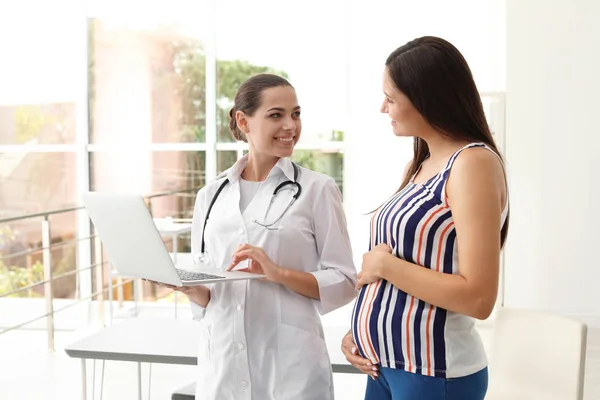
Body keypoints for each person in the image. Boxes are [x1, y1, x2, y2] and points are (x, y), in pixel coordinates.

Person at [156, 73, 357, 400]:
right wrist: (191, 288)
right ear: (243, 121)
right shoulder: (210, 195)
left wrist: (277, 274)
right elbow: (209, 292)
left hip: (290, 367)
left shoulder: (317, 189)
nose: (291, 125)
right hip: (222, 364)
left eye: (296, 113)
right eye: (276, 115)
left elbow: (346, 280)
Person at [341, 36, 509, 400]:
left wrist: (383, 266)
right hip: (385, 366)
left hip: (432, 373)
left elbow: (479, 297)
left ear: (425, 99)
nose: (383, 108)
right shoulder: (419, 166)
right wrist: (364, 329)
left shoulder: (472, 165)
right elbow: (413, 261)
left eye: (391, 98)